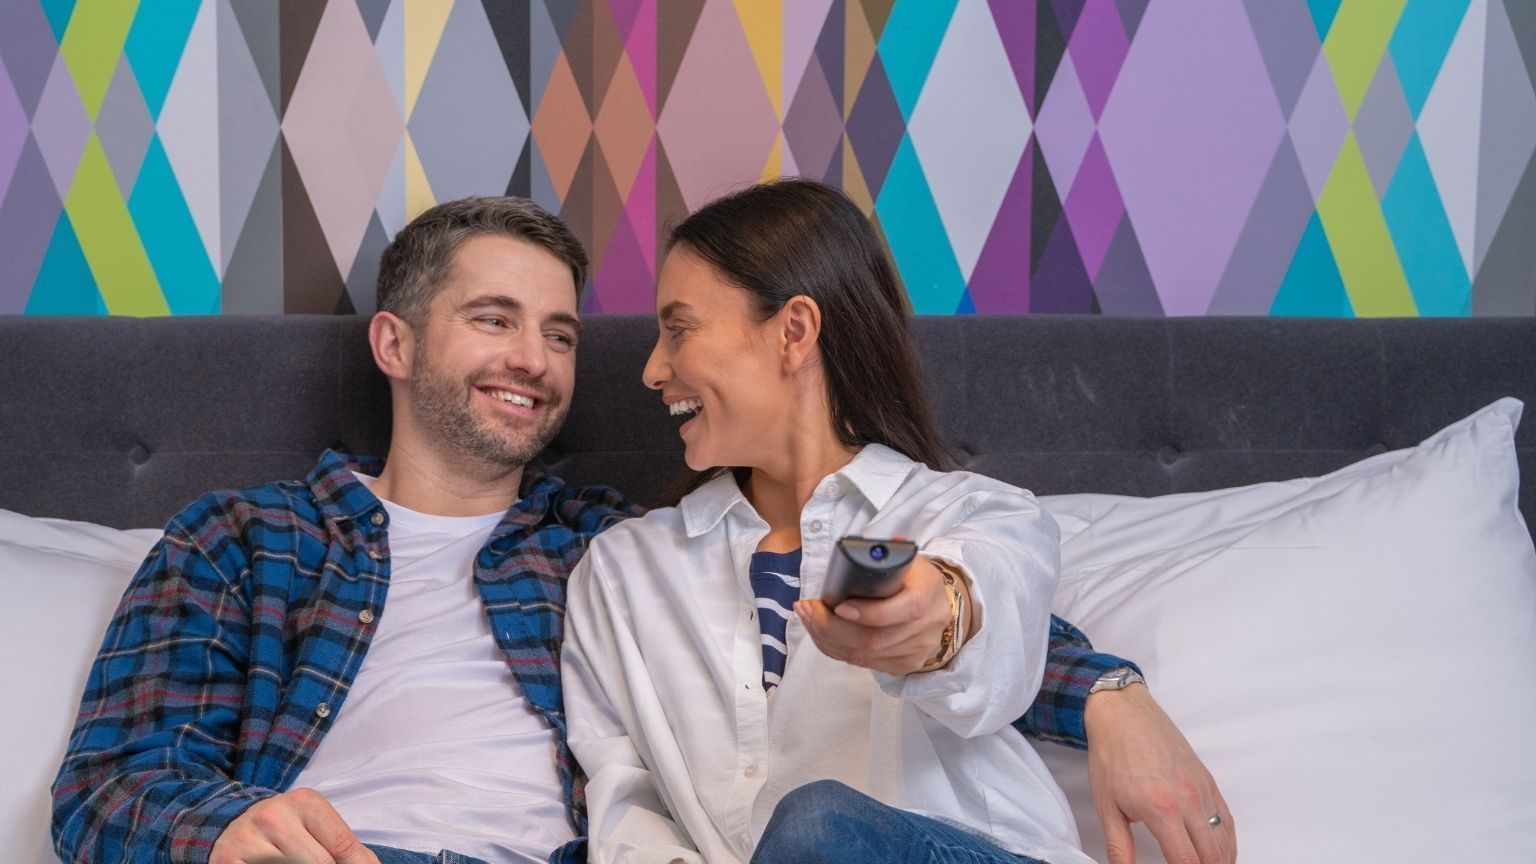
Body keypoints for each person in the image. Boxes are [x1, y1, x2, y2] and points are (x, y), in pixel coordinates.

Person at [53, 194, 1228, 864]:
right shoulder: (243, 542)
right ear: (395, 345)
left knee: (816, 827)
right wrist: (228, 833)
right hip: (354, 855)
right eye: (494, 319)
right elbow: (110, 784)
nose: (536, 358)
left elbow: (951, 593)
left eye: (561, 333)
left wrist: (1112, 692)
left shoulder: (588, 542)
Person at [561, 179, 1235, 864]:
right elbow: (625, 797)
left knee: (818, 823)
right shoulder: (621, 572)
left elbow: (986, 614)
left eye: (679, 329)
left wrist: (933, 618)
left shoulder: (974, 513)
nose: (652, 369)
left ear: (793, 332)